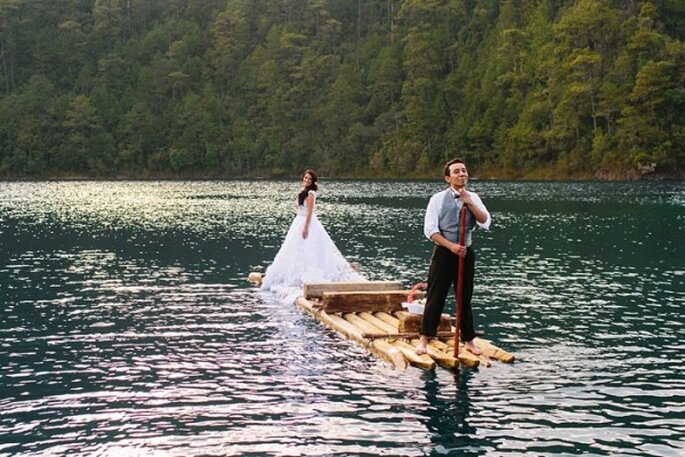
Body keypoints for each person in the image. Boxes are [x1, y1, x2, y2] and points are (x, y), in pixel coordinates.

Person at [415, 158, 491, 356]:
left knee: (464, 298)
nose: (461, 174)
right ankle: (424, 338)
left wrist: (470, 204)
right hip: (444, 252)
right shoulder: (437, 199)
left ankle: (468, 340)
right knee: (436, 296)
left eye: (464, 171)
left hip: (466, 253)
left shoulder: (473, 196)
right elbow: (430, 230)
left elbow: (485, 221)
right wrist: (451, 246)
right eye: (456, 172)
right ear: (448, 178)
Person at [260, 170, 365, 297]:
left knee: (309, 248)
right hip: (298, 221)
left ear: (312, 181)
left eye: (309, 179)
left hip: (306, 222)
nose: (307, 180)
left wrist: (306, 227)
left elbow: (309, 212)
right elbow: (299, 208)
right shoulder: (303, 191)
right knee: (293, 248)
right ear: (303, 178)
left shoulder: (310, 193)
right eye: (305, 178)